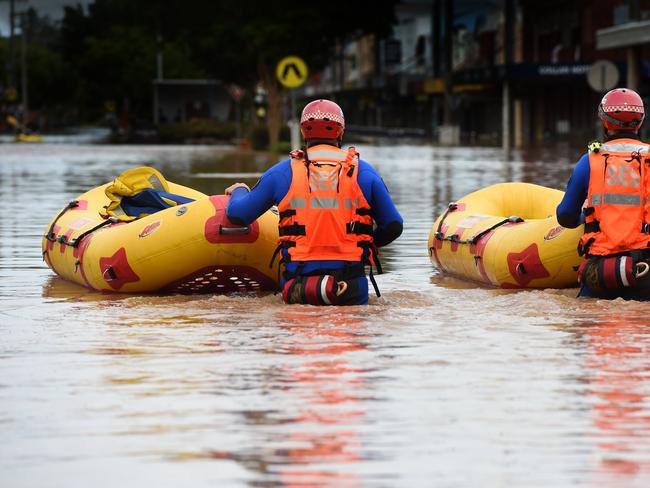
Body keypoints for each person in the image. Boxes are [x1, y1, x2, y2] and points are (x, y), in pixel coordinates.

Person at [225, 99, 403, 305]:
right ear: (340, 132)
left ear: (303, 132)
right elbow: (393, 225)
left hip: (298, 286)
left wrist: (240, 189)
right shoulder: (364, 172)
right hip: (350, 286)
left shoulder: (282, 173)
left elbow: (238, 214)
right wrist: (366, 242)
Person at [556, 87, 650, 299]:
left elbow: (565, 216)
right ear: (641, 121)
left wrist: (586, 216)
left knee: (589, 322)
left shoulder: (590, 161)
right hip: (646, 270)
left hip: (601, 273)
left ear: (603, 120)